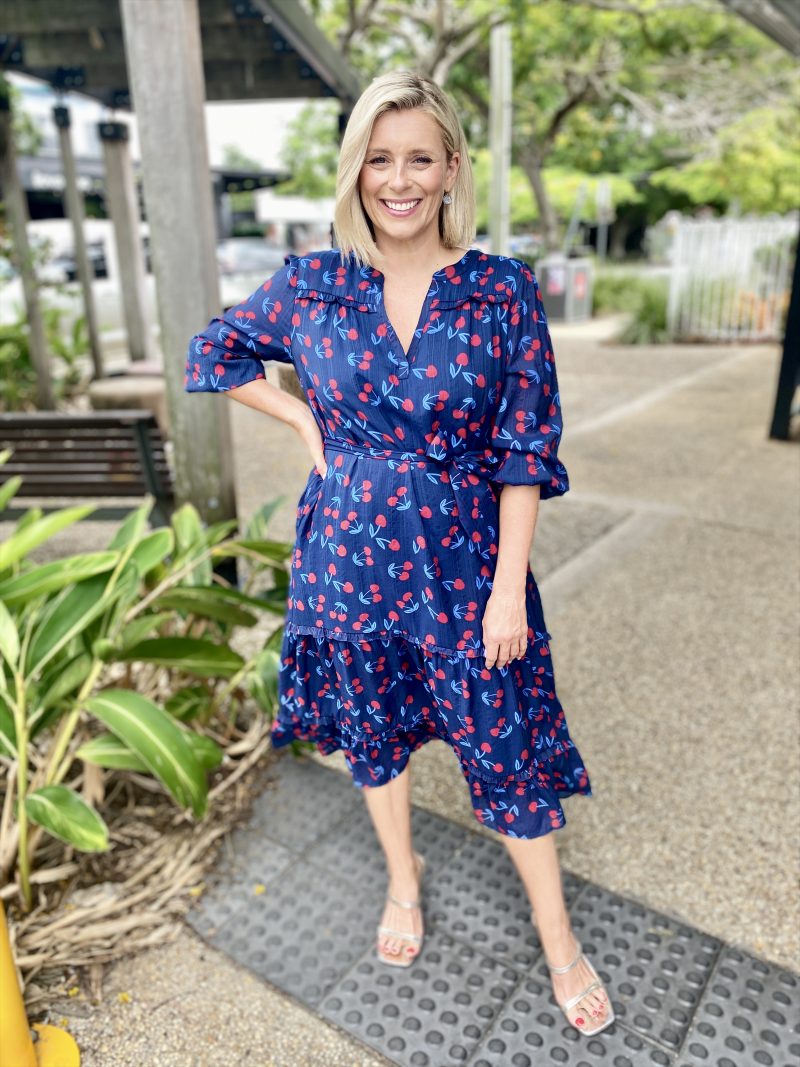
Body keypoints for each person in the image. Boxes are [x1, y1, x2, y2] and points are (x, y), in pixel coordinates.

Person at [185, 70, 613, 1037]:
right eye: (379, 159)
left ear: (452, 167)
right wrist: (300, 416)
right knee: (373, 733)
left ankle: (558, 937)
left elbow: (525, 450)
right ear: (356, 170)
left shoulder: (501, 289)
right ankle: (403, 882)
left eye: (420, 158)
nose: (399, 179)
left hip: (466, 566)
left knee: (505, 744)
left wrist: (509, 591)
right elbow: (214, 351)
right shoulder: (314, 283)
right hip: (348, 559)